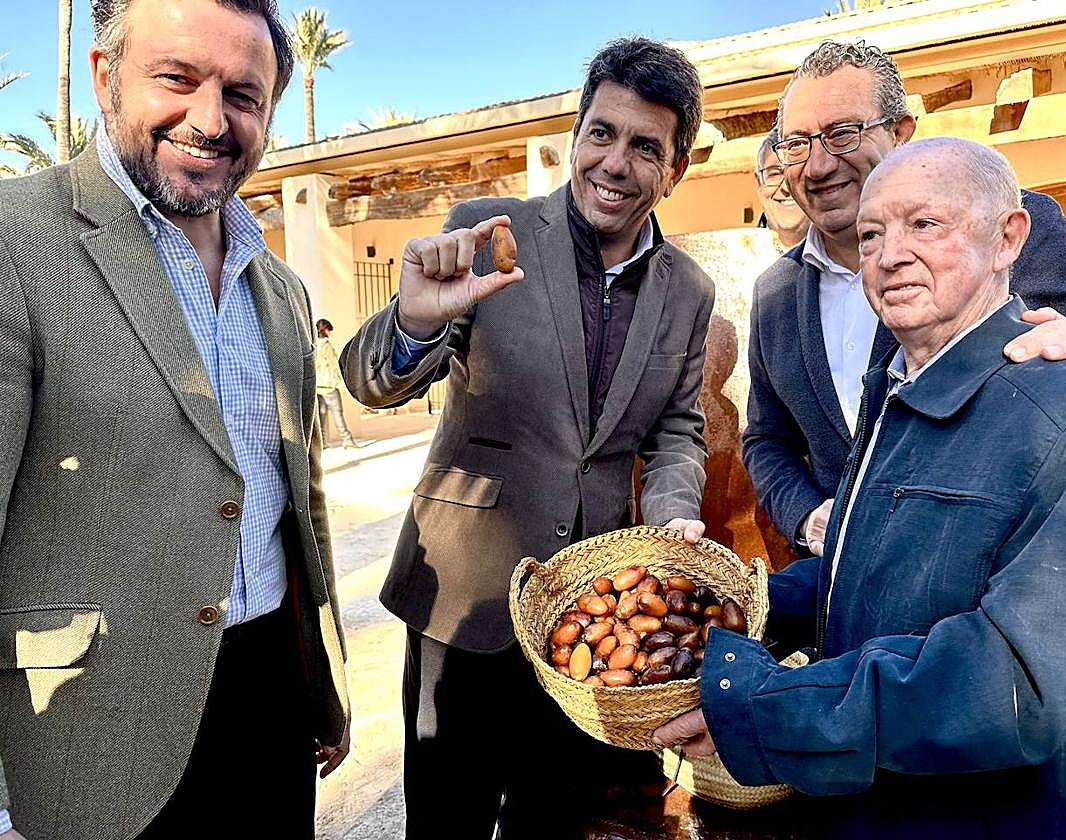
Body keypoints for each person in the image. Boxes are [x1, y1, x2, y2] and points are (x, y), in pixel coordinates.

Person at [655, 137, 1066, 838]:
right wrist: (735, 604)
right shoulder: (898, 391)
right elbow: (873, 574)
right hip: (874, 807)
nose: (889, 254)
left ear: (1008, 238)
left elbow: (1015, 684)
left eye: (925, 225)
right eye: (872, 234)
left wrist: (771, 704)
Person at [339, 37, 713, 839]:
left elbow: (679, 430)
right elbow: (371, 380)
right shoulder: (484, 232)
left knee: (554, 823)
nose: (615, 162)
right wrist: (411, 323)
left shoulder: (690, 291)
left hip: (588, 626)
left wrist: (676, 513)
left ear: (674, 169)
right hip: (462, 599)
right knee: (446, 823)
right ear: (576, 136)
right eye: (602, 134)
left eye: (646, 147)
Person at [0, 1, 351, 838]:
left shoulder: (283, 289)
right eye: (177, 77)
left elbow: (294, 504)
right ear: (104, 76)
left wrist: (318, 683)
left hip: (270, 700)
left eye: (242, 93)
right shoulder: (13, 243)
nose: (208, 119)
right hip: (82, 734)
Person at [742, 40, 1066, 562]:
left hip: (997, 595)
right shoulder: (775, 294)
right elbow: (766, 440)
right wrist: (807, 516)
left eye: (841, 134)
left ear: (900, 133)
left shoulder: (1007, 230)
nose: (816, 167)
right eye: (796, 144)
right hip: (844, 604)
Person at [755, 125, 809, 251]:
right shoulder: (734, 258)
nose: (786, 187)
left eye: (796, 172)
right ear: (759, 183)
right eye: (774, 174)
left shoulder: (853, 256)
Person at [316, 318, 360, 449]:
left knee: (321, 416)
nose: (330, 333)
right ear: (325, 330)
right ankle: (347, 440)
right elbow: (333, 367)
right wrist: (340, 383)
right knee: (338, 414)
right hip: (329, 386)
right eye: (329, 330)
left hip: (318, 387)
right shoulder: (326, 345)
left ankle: (323, 443)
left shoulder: (313, 345)